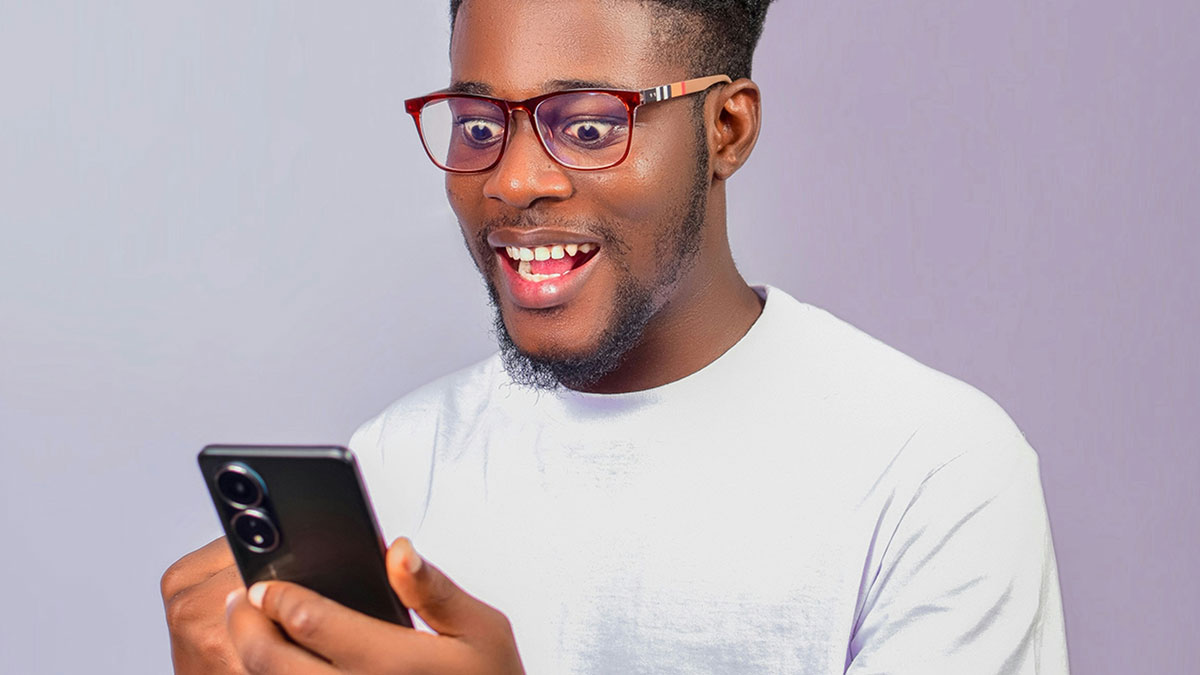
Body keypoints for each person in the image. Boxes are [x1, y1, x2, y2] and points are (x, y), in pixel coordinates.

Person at [161, 0, 1070, 672]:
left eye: (590, 125)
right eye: (478, 124)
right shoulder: (395, 464)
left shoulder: (932, 471)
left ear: (727, 129)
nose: (514, 180)